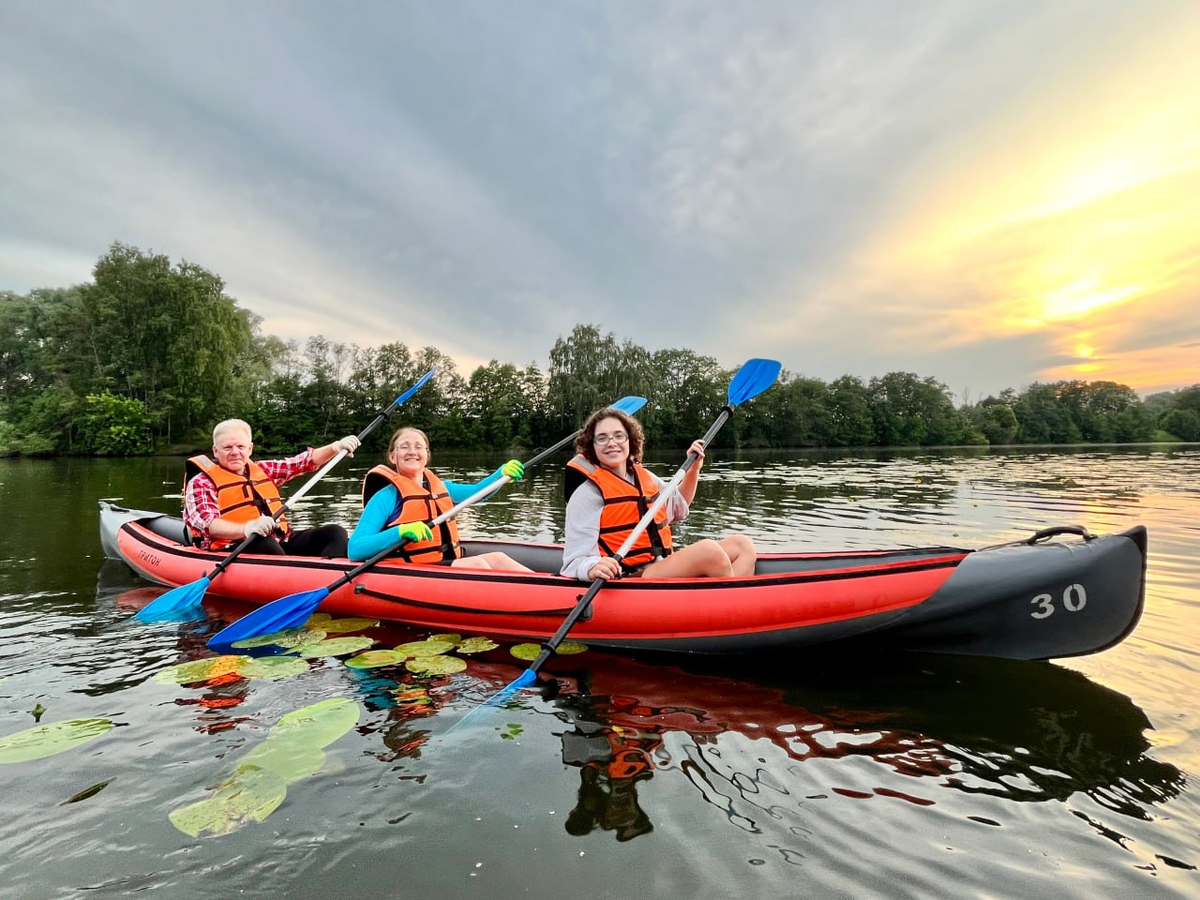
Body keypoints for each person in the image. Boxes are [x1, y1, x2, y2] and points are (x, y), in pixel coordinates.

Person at [560, 406, 756, 582]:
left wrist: (693, 470)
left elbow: (678, 508)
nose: (612, 443)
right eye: (602, 438)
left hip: (660, 566)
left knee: (742, 545)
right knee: (709, 551)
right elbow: (574, 562)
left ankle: (731, 602)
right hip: (630, 577)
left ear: (630, 440)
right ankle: (733, 610)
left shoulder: (644, 477)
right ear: (592, 446)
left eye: (619, 435)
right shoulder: (586, 493)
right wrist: (593, 567)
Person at [349, 426, 534, 571]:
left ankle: (556, 592)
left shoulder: (443, 487)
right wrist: (400, 531)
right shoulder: (386, 497)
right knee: (477, 566)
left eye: (418, 447)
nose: (412, 451)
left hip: (446, 562)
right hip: (412, 570)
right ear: (392, 456)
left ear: (427, 455)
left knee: (498, 558)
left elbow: (478, 493)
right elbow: (355, 549)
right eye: (404, 447)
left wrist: (501, 475)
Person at [183, 418, 361, 557]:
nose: (235, 452)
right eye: (227, 447)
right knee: (263, 542)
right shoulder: (201, 482)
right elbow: (209, 525)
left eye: (241, 446)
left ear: (250, 448)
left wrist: (336, 447)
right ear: (215, 451)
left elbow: (302, 462)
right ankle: (291, 583)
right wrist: (247, 528)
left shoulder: (262, 470)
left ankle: (332, 577)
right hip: (233, 547)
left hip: (281, 540)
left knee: (335, 533)